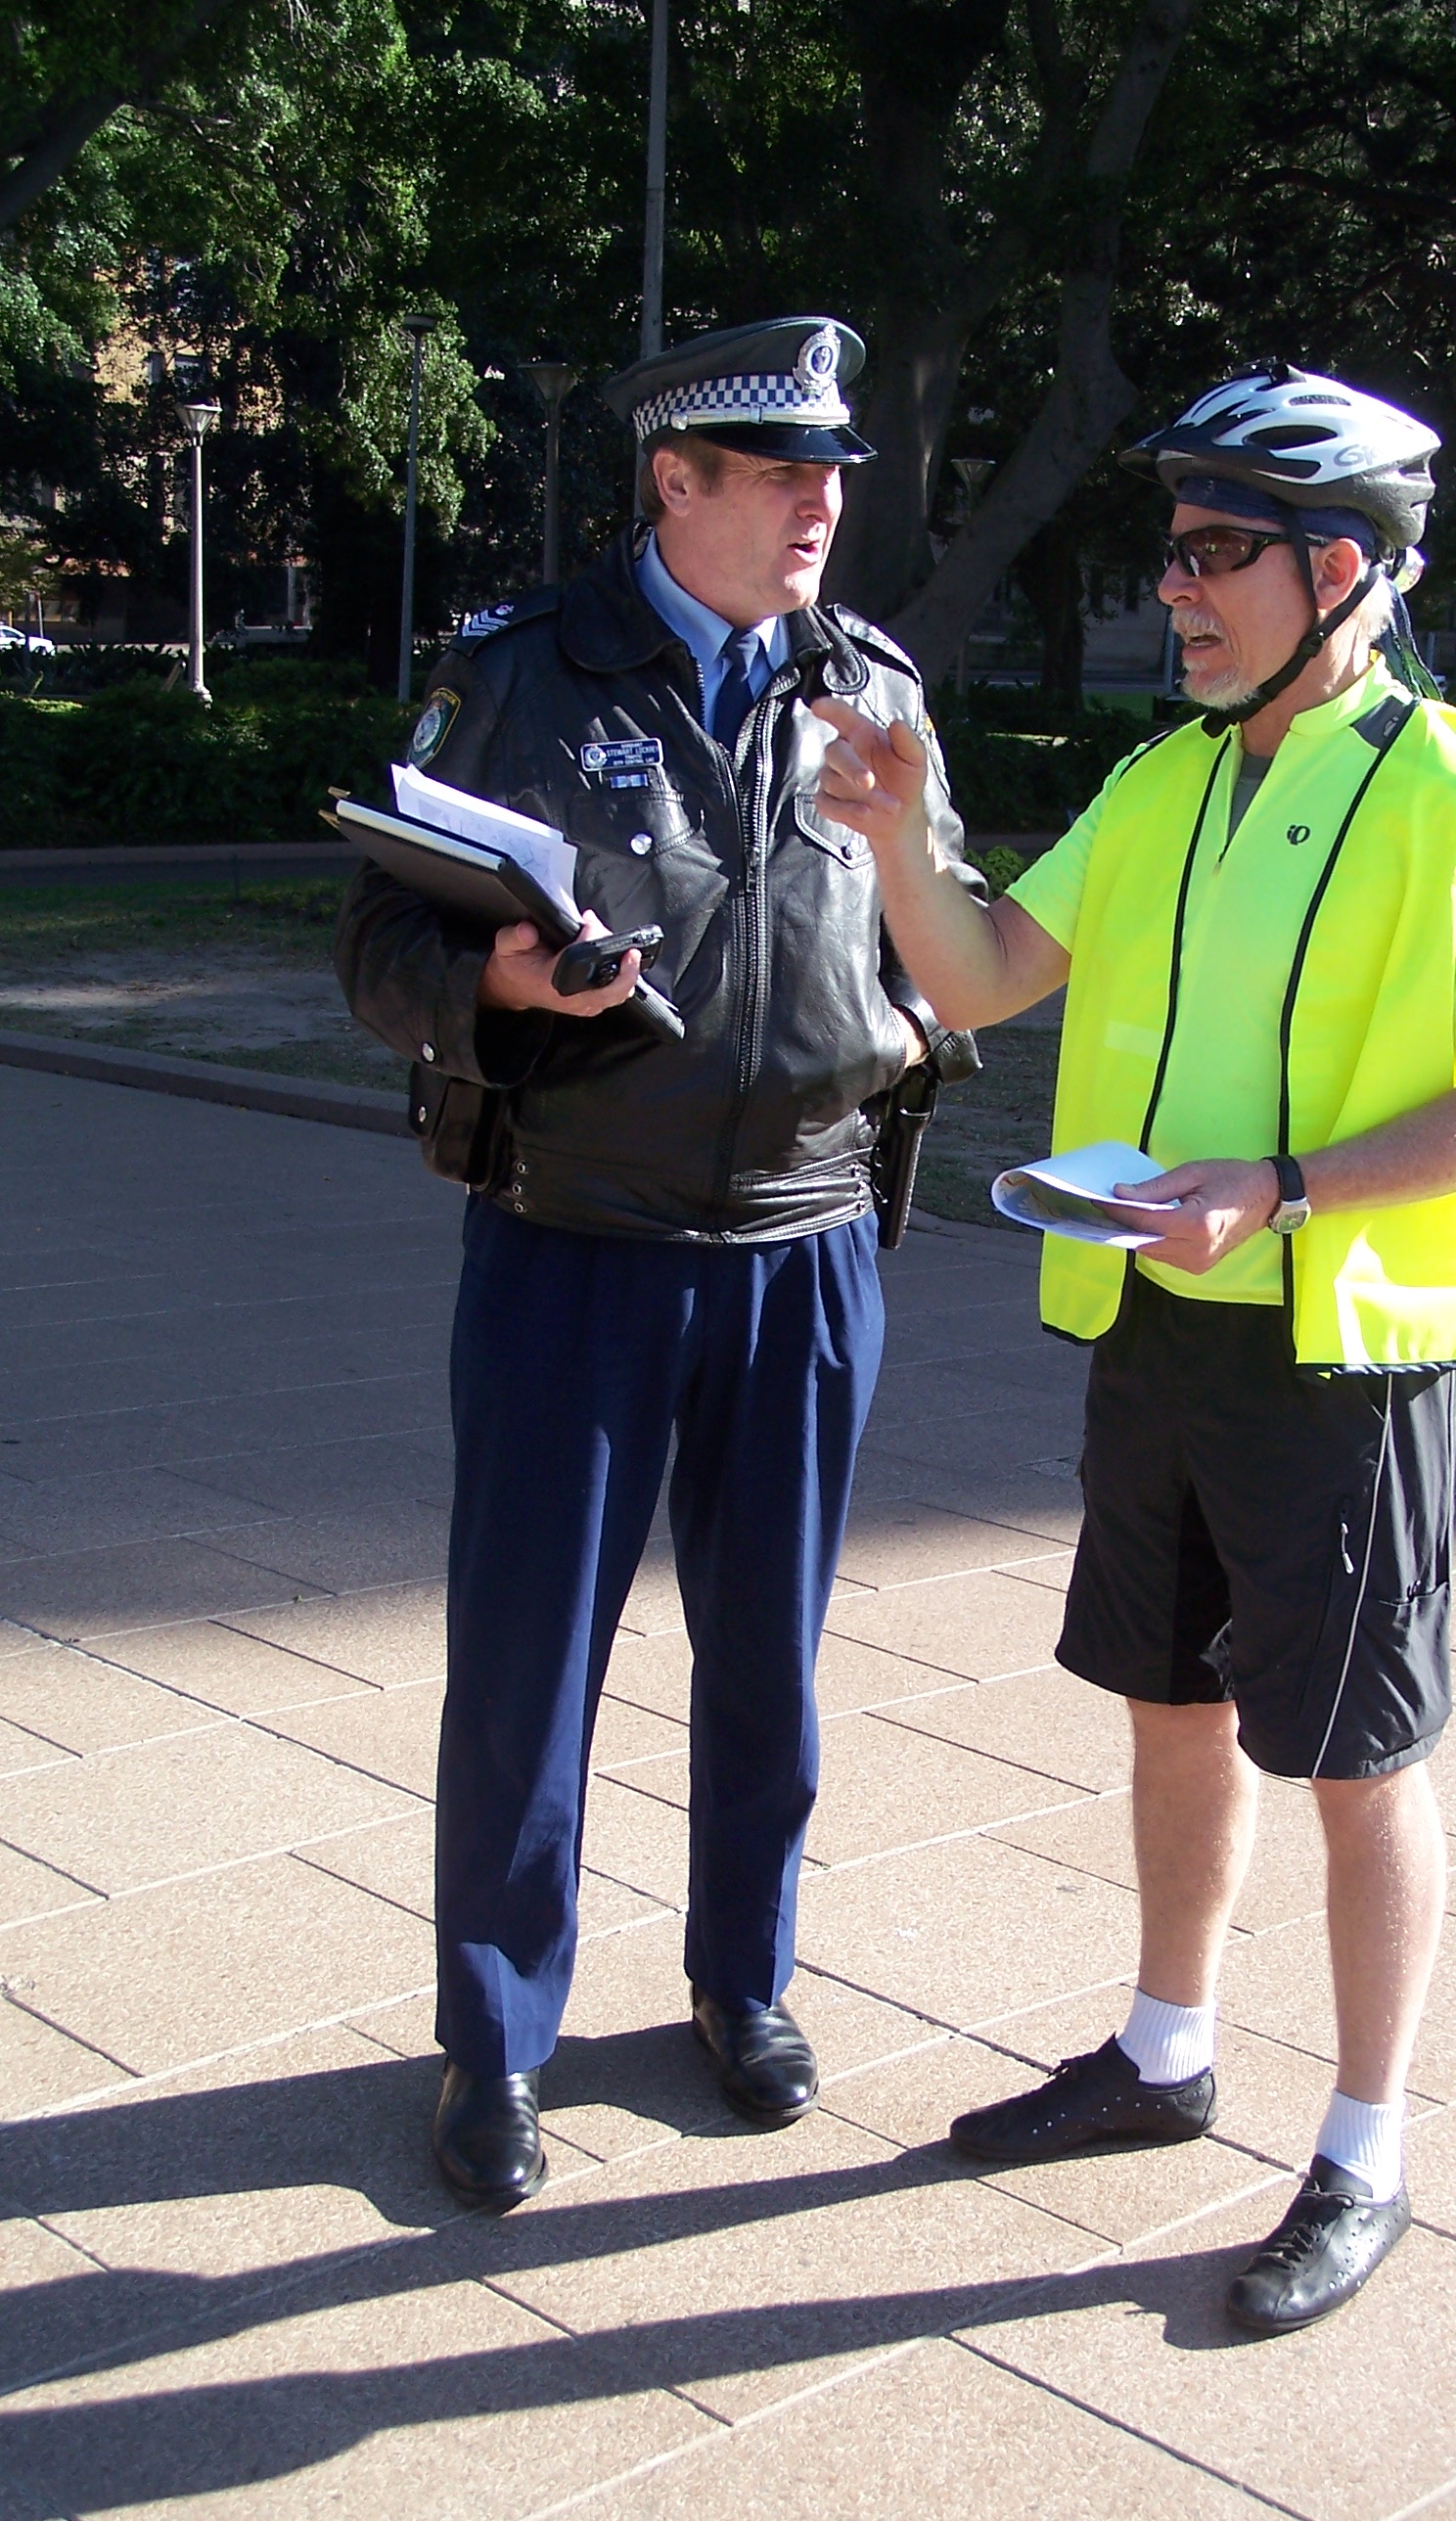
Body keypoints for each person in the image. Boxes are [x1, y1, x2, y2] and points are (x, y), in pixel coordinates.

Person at [812, 362, 1456, 2337]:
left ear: (1342, 567)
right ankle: (1165, 2053)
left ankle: (1369, 2149)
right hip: (1154, 1320)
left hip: (1340, 1351)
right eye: (1171, 551)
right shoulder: (1164, 781)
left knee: (1354, 1751)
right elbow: (980, 971)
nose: (1177, 588)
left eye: (1216, 551)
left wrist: (1294, 1185)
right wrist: (906, 834)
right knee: (1166, 1699)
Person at [335, 317, 979, 2211]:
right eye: (778, 473)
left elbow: (938, 923)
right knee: (529, 1663)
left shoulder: (868, 684)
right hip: (575, 1240)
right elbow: (375, 945)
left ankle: (741, 1982)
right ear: (670, 483)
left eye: (832, 475)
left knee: (769, 1654)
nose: (819, 505)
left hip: (806, 1238)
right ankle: (494, 2038)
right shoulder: (523, 675)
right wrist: (487, 987)